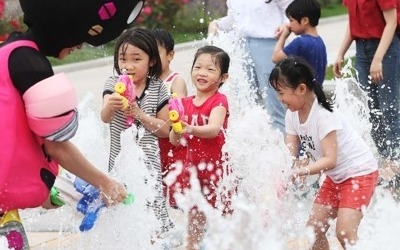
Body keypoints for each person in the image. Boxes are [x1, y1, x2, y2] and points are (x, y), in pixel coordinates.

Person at [0, 0, 144, 248]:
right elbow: (57, 146)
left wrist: (52, 190)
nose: (80, 45)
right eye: (82, 35)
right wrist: (106, 183)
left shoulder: (7, 52)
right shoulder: (30, 64)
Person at [269, 57, 378, 249]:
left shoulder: (324, 115)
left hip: (359, 173)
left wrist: (303, 171)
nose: (280, 99)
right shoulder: (291, 114)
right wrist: (284, 174)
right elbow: (289, 153)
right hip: (335, 178)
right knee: (313, 232)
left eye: (281, 92)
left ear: (301, 89)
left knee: (345, 233)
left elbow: (330, 160)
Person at [100, 27, 176, 239]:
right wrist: (111, 105)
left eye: (136, 59)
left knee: (152, 218)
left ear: (151, 61)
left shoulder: (159, 88)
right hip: (119, 165)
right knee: (123, 216)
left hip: (149, 168)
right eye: (123, 59)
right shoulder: (113, 84)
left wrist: (139, 114)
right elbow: (104, 117)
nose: (128, 66)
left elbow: (165, 130)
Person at [333, 0, 400, 196]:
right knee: (371, 109)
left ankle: (395, 161)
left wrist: (378, 58)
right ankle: (383, 158)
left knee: (389, 108)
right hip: (361, 50)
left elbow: (392, 22)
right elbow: (353, 24)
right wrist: (340, 53)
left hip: (385, 48)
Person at [169, 45, 231, 250]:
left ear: (223, 78)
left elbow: (214, 129)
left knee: (223, 220)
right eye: (198, 67)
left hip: (218, 173)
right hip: (193, 172)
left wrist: (189, 128)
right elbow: (174, 140)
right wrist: (177, 129)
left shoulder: (219, 101)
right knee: (194, 218)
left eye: (210, 69)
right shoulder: (184, 103)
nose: (202, 73)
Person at [208, 0, 292, 134]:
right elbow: (234, 18)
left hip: (269, 44)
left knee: (275, 102)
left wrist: (286, 26)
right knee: (246, 104)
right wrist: (217, 24)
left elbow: (291, 9)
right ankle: (255, 145)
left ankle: (285, 149)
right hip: (241, 46)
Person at [150, 28, 188, 197]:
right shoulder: (147, 81)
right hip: (153, 144)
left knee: (176, 191)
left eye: (156, 52)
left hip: (173, 146)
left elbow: (179, 112)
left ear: (170, 55)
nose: (152, 58)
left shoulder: (175, 80)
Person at [272, 0, 327, 86]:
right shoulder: (320, 41)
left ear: (305, 20)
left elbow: (275, 58)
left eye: (291, 20)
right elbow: (325, 70)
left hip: (301, 94)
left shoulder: (300, 42)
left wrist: (283, 37)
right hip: (316, 91)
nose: (289, 25)